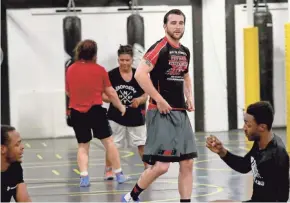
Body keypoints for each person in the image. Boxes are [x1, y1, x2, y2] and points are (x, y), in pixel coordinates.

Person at [121, 9, 198, 202]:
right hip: (160, 112)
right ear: (165, 26)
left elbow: (186, 75)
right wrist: (159, 99)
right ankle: (131, 196)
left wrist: (190, 97)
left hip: (180, 113)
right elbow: (140, 74)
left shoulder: (184, 51)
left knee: (187, 162)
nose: (178, 26)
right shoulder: (159, 48)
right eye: (173, 23)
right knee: (162, 166)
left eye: (181, 23)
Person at [65, 39, 130, 187]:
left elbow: (68, 91)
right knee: (109, 142)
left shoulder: (70, 69)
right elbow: (111, 93)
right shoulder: (99, 70)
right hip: (95, 111)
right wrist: (121, 107)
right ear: (94, 53)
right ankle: (119, 174)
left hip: (76, 111)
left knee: (83, 145)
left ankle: (84, 177)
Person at [206, 101, 289, 202]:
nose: (244, 128)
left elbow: (281, 198)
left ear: (262, 127)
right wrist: (221, 151)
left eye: (248, 125)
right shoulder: (260, 143)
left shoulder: (277, 155)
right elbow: (244, 166)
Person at [102, 44, 148, 180]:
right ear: (118, 60)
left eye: (127, 60)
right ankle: (109, 170)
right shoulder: (111, 75)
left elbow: (146, 94)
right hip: (116, 116)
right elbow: (103, 95)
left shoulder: (139, 75)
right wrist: (113, 100)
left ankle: (148, 168)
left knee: (142, 143)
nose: (124, 63)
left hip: (136, 115)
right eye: (122, 60)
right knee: (113, 144)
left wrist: (139, 100)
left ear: (132, 60)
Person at [1, 125, 31, 202]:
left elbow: (24, 200)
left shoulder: (15, 167)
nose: (22, 147)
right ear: (2, 149)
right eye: (17, 145)